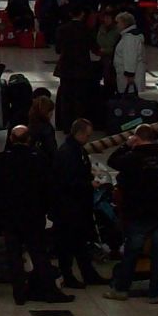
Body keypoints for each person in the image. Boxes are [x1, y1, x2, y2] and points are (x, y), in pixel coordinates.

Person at [0, 124, 74, 304]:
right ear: (29, 139)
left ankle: (19, 293)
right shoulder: (39, 158)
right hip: (33, 215)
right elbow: (49, 187)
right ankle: (48, 290)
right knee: (38, 254)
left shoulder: (2, 159)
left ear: (11, 139)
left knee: (14, 255)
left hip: (9, 216)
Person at [105, 122, 158, 303]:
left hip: (137, 213)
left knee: (132, 252)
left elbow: (112, 161)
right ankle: (155, 292)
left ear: (137, 138)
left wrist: (125, 145)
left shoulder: (130, 158)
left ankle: (121, 289)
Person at [52, 118, 107, 287]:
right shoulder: (70, 152)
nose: (89, 139)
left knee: (79, 243)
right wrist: (88, 183)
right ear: (80, 133)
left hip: (77, 206)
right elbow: (66, 181)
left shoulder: (75, 150)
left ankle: (87, 273)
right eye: (87, 135)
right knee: (69, 244)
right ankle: (70, 275)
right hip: (70, 207)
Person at [53, 6, 98, 126]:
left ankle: (66, 124)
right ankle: (79, 124)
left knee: (66, 96)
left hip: (66, 67)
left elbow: (58, 49)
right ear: (82, 14)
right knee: (81, 97)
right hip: (82, 67)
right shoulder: (86, 29)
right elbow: (95, 48)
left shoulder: (62, 29)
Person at [110, 11, 144, 96]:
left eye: (118, 22)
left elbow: (130, 57)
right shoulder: (130, 36)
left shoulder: (130, 38)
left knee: (128, 98)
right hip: (127, 75)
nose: (116, 25)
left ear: (124, 23)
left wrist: (130, 74)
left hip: (128, 78)